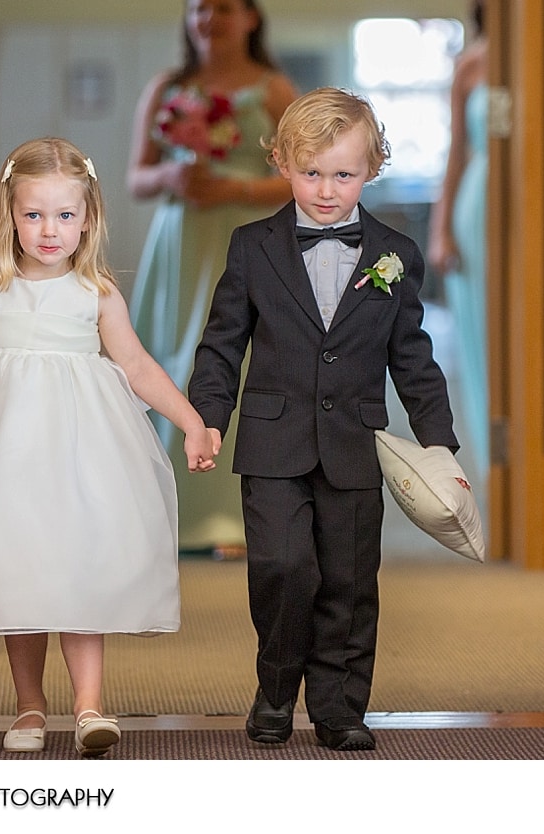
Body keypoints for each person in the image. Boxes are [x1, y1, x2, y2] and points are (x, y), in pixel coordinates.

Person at [0, 137, 219, 757]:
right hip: (4, 463)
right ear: (10, 215)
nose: (49, 230)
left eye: (65, 215)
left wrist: (191, 421)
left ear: (88, 218)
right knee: (17, 576)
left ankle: (89, 706)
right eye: (33, 215)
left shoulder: (96, 292)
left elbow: (135, 365)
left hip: (80, 457)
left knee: (79, 570)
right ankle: (29, 705)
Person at [187, 88, 458, 751]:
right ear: (281, 162)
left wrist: (439, 444)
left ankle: (339, 706)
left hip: (355, 445)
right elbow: (223, 343)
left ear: (374, 166)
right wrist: (207, 417)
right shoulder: (252, 247)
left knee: (348, 580)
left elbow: (413, 357)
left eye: (345, 174)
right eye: (312, 173)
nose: (328, 190)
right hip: (273, 442)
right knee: (282, 567)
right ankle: (277, 685)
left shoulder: (395, 254)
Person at [127, 0, 298, 554]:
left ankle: (233, 519)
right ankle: (168, 513)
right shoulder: (167, 88)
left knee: (245, 362)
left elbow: (306, 178)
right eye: (199, 7)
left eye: (223, 7)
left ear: (249, 17)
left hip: (247, 237)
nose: (209, 19)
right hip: (181, 242)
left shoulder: (274, 90)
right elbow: (134, 176)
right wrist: (171, 173)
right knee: (171, 359)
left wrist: (236, 190)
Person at [428, 0, 489, 521]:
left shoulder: (538, 54)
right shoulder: (470, 63)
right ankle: (495, 465)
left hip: (531, 204)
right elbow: (457, 152)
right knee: (479, 336)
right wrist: (441, 227)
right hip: (478, 201)